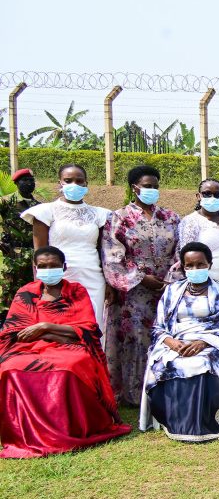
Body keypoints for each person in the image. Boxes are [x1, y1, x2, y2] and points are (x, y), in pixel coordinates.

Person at [0, 246, 130, 457]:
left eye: (53, 265)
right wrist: (58, 333)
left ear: (64, 267)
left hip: (71, 348)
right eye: (43, 266)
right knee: (10, 367)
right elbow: (13, 333)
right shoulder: (25, 293)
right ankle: (25, 434)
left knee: (69, 366)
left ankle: (66, 429)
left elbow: (88, 328)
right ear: (35, 268)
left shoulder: (76, 291)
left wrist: (44, 328)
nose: (48, 269)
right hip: (29, 349)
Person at [139, 242, 219, 442]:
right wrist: (172, 343)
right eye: (190, 266)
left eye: (200, 265)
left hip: (211, 342)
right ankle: (175, 421)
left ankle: (203, 421)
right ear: (183, 267)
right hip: (175, 341)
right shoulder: (172, 291)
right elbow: (158, 327)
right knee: (173, 361)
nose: (195, 269)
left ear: (209, 264)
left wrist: (203, 342)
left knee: (202, 362)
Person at [102, 165, 181, 408]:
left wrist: (170, 278)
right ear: (134, 187)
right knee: (136, 338)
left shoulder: (171, 217)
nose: (152, 190)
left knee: (167, 335)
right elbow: (112, 255)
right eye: (147, 186)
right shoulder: (119, 217)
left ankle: (165, 387)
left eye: (155, 186)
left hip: (166, 288)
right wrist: (140, 278)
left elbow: (181, 251)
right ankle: (136, 395)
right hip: (133, 291)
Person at [22, 164, 110, 336]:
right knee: (58, 327)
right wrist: (39, 284)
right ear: (59, 183)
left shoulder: (100, 214)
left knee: (92, 326)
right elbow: (39, 253)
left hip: (93, 278)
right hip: (57, 277)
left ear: (86, 184)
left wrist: (109, 283)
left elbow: (103, 251)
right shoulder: (45, 211)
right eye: (68, 181)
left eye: (79, 181)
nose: (74, 185)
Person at [172, 178, 219, 351]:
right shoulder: (190, 221)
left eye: (217, 194)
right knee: (216, 328)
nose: (212, 197)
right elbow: (187, 254)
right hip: (211, 286)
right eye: (207, 193)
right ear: (198, 196)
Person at [0, 168, 42, 310]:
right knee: (10, 288)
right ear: (17, 183)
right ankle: (4, 320)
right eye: (25, 180)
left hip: (32, 252)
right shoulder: (7, 201)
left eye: (31, 180)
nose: (29, 183)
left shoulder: (38, 206)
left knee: (32, 288)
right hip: (12, 253)